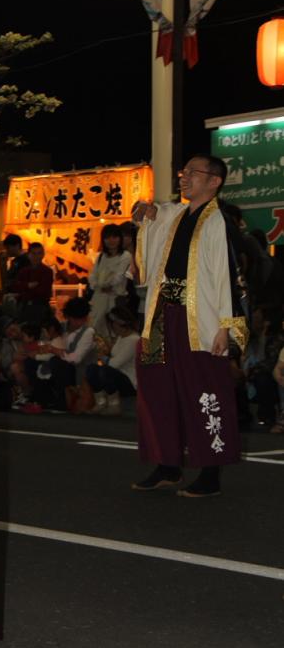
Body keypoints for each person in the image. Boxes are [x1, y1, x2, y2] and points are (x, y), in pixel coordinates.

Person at [132, 155, 248, 498]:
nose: (184, 179)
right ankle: (167, 464)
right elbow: (157, 213)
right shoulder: (177, 214)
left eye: (193, 173)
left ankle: (210, 471)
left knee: (206, 390)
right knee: (157, 387)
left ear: (215, 182)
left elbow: (228, 276)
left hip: (201, 319)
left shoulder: (219, 222)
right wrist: (149, 213)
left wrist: (226, 325)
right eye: (183, 173)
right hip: (162, 314)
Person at [85, 305, 139, 415]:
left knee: (106, 371)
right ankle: (101, 401)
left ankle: (114, 404)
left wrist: (103, 358)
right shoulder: (121, 337)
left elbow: (115, 364)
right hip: (118, 373)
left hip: (129, 379)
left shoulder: (133, 340)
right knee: (91, 368)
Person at [87, 224, 132, 336]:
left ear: (119, 238)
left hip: (115, 298)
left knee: (114, 330)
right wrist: (98, 286)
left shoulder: (125, 256)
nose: (111, 240)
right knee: (95, 327)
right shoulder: (101, 256)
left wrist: (103, 285)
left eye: (114, 237)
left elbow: (119, 276)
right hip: (98, 298)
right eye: (107, 237)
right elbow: (92, 275)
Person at [14, 242, 53, 325]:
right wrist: (28, 285)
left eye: (39, 253)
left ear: (43, 254)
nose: (36, 257)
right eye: (34, 253)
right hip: (24, 307)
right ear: (29, 254)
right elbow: (16, 286)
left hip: (41, 307)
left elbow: (43, 291)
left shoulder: (47, 272)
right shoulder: (23, 271)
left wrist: (25, 288)